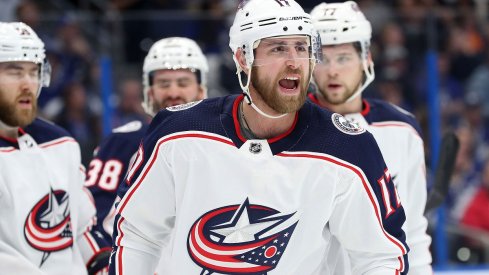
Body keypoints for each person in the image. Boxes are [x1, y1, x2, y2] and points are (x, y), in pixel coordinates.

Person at [108, 0, 409, 274]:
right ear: (243, 58)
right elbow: (137, 237)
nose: (294, 62)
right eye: (278, 48)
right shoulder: (178, 133)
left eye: (301, 48)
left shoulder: (347, 146)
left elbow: (381, 257)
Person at [309, 2, 431, 274]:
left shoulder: (402, 128)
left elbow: (413, 229)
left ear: (366, 59)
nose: (332, 71)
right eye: (322, 59)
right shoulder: (290, 125)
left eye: (343, 58)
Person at [0, 22, 110, 275]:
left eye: (34, 72)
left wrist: (102, 265)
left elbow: (82, 226)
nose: (28, 84)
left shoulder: (59, 142)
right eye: (16, 73)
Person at [84, 36, 209, 244]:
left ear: (201, 89)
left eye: (183, 82)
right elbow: (91, 217)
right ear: (149, 91)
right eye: (164, 83)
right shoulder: (123, 142)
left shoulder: (227, 145)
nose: (173, 92)